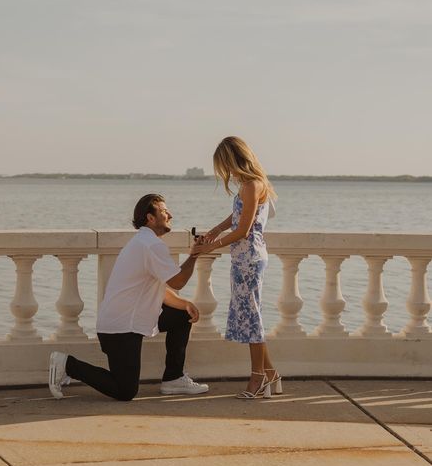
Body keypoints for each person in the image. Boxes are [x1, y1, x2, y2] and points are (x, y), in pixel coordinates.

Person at [49, 193, 208, 401]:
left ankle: (173, 378)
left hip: (128, 320)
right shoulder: (151, 245)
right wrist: (195, 254)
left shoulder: (144, 241)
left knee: (182, 315)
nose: (170, 214)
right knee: (125, 391)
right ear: (150, 218)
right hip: (121, 327)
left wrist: (184, 304)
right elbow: (177, 281)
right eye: (164, 211)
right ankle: (67, 365)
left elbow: (156, 288)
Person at [194, 136, 282, 399]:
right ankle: (271, 374)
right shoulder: (250, 185)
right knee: (249, 316)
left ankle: (258, 378)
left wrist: (212, 245)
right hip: (246, 258)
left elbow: (243, 230)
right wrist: (216, 230)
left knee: (252, 318)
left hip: (249, 259)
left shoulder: (253, 184)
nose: (225, 171)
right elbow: (239, 218)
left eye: (224, 164)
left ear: (232, 159)